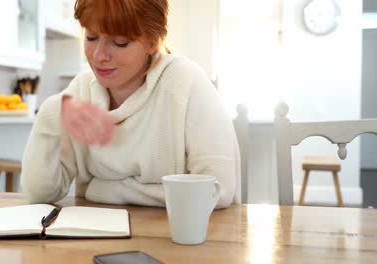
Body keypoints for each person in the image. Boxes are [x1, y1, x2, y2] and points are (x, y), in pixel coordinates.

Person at [21, 0, 240, 208]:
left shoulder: (186, 82)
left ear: (153, 43)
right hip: (99, 238)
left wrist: (103, 190)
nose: (99, 56)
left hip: (183, 241)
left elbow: (216, 191)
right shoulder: (80, 91)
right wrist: (51, 115)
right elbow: (40, 194)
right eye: (91, 37)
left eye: (119, 42)